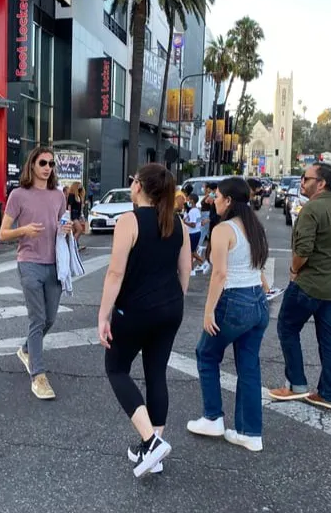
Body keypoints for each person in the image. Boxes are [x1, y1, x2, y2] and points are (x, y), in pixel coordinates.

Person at [98, 163, 191, 478]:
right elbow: (185, 269)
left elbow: (115, 272)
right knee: (156, 373)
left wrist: (103, 314)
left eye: (133, 181)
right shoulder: (177, 222)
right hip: (171, 307)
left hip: (136, 309)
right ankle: (154, 450)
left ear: (138, 186)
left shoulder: (129, 220)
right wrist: (174, 300)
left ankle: (151, 442)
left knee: (116, 368)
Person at [188, 177, 270, 452]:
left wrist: (208, 311)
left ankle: (213, 417)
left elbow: (220, 274)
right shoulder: (255, 227)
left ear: (229, 200)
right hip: (257, 301)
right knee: (249, 366)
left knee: (206, 354)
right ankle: (250, 433)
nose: (214, 200)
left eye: (218, 195)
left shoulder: (223, 229)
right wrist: (264, 288)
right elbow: (258, 265)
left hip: (233, 300)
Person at [269, 163, 331, 411]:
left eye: (306, 178)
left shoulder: (311, 209)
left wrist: (294, 270)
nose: (302, 182)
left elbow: (302, 250)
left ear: (321, 183)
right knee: (329, 340)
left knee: (287, 327)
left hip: (309, 286)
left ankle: (296, 384)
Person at [0, 147, 70, 400]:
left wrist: (69, 228)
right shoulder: (18, 195)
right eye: (43, 163)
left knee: (50, 318)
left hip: (55, 264)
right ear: (32, 165)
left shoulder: (58, 195)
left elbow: (63, 225)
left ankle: (27, 349)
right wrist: (24, 230)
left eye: (51, 163)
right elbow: (2, 233)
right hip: (29, 262)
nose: (48, 167)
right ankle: (38, 376)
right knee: (37, 319)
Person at [183, 194, 204, 271]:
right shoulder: (197, 210)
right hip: (197, 232)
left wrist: (184, 222)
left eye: (189, 199)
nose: (188, 201)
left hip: (192, 233)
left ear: (192, 200)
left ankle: (202, 263)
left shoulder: (192, 211)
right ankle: (192, 268)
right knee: (192, 251)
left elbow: (193, 225)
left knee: (191, 252)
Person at [67, 182, 87, 250]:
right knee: (79, 229)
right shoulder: (72, 195)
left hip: (77, 215)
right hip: (73, 214)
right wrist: (69, 217)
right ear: (75, 186)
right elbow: (69, 206)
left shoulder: (79, 195)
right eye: (79, 185)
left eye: (81, 185)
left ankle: (75, 245)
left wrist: (82, 216)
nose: (81, 186)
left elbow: (80, 208)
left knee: (75, 231)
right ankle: (72, 245)